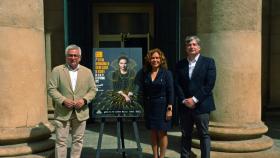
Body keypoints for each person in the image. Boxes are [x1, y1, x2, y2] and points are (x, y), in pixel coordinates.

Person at [48, 44, 97, 158]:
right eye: (70, 55)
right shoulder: (58, 70)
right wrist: (63, 100)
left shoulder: (87, 71)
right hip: (62, 112)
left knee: (78, 141)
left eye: (75, 55)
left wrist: (84, 100)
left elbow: (93, 90)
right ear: (66, 57)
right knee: (61, 141)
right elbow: (51, 89)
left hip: (81, 112)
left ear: (80, 57)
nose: (73, 58)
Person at [175, 36, 216, 158]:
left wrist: (194, 99)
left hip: (202, 105)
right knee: (185, 134)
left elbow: (209, 84)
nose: (191, 47)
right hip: (185, 105)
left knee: (204, 134)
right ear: (186, 48)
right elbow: (177, 84)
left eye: (194, 44)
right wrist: (184, 100)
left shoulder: (209, 62)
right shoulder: (180, 64)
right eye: (189, 45)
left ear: (199, 47)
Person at [141, 48, 174, 158]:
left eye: (157, 58)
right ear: (149, 60)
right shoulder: (145, 73)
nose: (155, 60)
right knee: (153, 132)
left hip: (162, 106)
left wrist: (170, 108)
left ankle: (162, 156)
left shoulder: (166, 73)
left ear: (161, 59)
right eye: (153, 58)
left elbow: (171, 91)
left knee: (162, 133)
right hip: (150, 106)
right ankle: (155, 156)